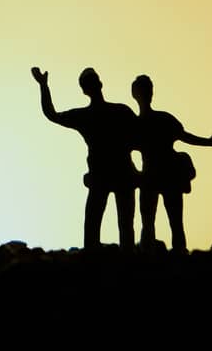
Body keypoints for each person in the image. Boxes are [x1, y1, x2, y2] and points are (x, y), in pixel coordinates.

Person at [32, 65, 137, 249]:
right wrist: (43, 85)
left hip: (115, 176)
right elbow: (52, 115)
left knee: (109, 225)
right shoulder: (117, 112)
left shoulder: (99, 114)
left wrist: (43, 85)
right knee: (109, 225)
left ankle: (105, 262)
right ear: (97, 85)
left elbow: (52, 114)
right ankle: (108, 262)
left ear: (85, 89)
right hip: (109, 176)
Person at [130, 74, 212, 255]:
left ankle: (160, 255)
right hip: (157, 176)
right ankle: (165, 255)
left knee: (158, 222)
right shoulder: (156, 120)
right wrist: (209, 142)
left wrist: (209, 142)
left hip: (156, 176)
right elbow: (186, 137)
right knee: (160, 222)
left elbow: (186, 137)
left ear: (136, 95)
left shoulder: (141, 123)